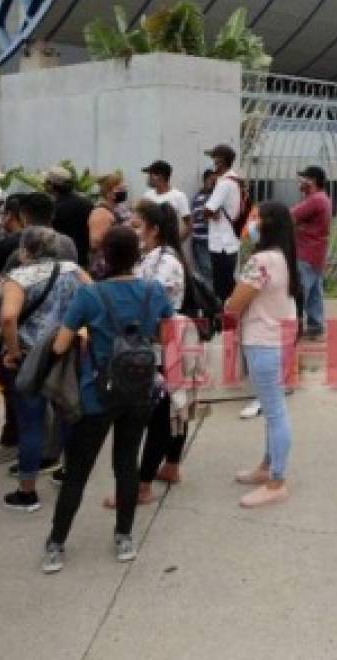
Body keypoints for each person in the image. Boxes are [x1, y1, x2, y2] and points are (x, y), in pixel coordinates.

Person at [43, 226, 175, 573]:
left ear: (104, 256)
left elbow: (59, 345)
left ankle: (56, 543)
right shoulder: (154, 290)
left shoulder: (90, 295)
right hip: (140, 391)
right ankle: (124, 537)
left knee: (78, 471)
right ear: (136, 256)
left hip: (97, 394)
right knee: (126, 464)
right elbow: (165, 334)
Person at [105, 200, 189, 508]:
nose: (133, 231)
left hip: (157, 345)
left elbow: (148, 303)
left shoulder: (162, 261)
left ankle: (142, 485)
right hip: (163, 343)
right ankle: (171, 465)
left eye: (138, 226)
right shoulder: (158, 257)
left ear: (154, 229)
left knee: (157, 415)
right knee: (172, 407)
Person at [0, 228, 88, 512]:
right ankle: (68, 473)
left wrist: (13, 353)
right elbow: (94, 297)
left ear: (26, 250)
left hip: (30, 357)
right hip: (65, 351)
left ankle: (27, 491)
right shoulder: (73, 270)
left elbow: (9, 317)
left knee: (31, 423)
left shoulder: (18, 278)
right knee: (68, 414)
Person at [224, 202, 300, 506]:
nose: (250, 224)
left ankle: (277, 481)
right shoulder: (284, 257)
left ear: (268, 224)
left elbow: (236, 303)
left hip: (263, 340)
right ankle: (268, 466)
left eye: (256, 219)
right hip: (278, 338)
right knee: (273, 409)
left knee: (275, 411)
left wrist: (229, 304)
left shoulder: (261, 261)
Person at [291, 165, 332, 340]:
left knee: (301, 292)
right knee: (314, 292)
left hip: (306, 253)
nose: (300, 182)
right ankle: (315, 327)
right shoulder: (322, 198)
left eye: (304, 179)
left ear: (313, 181)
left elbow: (290, 215)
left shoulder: (315, 200)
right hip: (316, 253)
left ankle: (296, 328)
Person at [203, 144, 243, 303]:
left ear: (221, 161)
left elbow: (207, 211)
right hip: (231, 241)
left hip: (221, 244)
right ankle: (234, 317)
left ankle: (227, 321)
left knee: (223, 290)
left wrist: (210, 211)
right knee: (228, 285)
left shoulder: (224, 183)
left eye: (215, 159)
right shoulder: (235, 180)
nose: (213, 163)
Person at [47, 165, 94, 268]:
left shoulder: (53, 209)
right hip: (83, 261)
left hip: (60, 263)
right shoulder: (87, 203)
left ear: (51, 185)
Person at [88, 173, 133, 279]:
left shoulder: (116, 210)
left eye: (124, 188)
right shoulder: (101, 212)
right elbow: (95, 243)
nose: (123, 191)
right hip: (105, 269)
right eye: (120, 189)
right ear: (109, 192)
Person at [141, 160, 191, 239]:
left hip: (168, 246)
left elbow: (189, 225)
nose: (148, 178)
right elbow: (141, 220)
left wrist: (176, 243)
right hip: (150, 246)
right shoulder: (147, 196)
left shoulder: (178, 196)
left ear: (160, 176)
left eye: (151, 174)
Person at [189, 169, 216, 281]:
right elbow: (199, 218)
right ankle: (209, 296)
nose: (213, 183)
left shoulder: (216, 196)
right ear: (205, 180)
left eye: (215, 181)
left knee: (209, 271)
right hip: (200, 240)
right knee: (205, 270)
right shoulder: (197, 197)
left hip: (212, 240)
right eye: (211, 180)